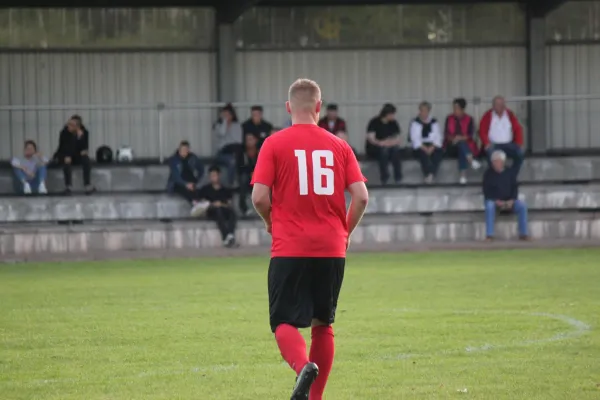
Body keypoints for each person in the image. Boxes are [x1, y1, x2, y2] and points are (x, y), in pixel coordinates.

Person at [251, 78, 369, 400]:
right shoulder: (340, 146)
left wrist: (270, 222)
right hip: (331, 247)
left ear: (289, 107)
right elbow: (360, 197)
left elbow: (260, 197)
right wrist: (345, 231)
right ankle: (314, 397)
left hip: (290, 246)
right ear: (319, 107)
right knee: (323, 323)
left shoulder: (274, 144)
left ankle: (303, 366)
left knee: (283, 321)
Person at [483, 150, 530, 241]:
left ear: (502, 162)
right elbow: (486, 191)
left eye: (497, 161)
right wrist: (496, 201)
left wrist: (511, 200)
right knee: (489, 205)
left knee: (522, 206)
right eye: (494, 161)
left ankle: (523, 234)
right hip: (495, 202)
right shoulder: (488, 174)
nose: (495, 163)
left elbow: (515, 188)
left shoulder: (510, 173)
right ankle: (489, 235)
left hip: (509, 202)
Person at [479, 95, 524, 175]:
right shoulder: (488, 115)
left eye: (502, 104)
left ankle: (511, 175)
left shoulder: (510, 114)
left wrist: (519, 143)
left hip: (508, 144)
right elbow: (482, 130)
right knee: (490, 154)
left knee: (520, 153)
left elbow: (518, 128)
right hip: (493, 144)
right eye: (498, 104)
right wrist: (486, 143)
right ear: (493, 106)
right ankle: (496, 176)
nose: (501, 106)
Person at [198, 166, 238, 248]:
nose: (213, 178)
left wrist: (220, 204)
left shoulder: (225, 190)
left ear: (219, 176)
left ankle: (229, 235)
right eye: (211, 176)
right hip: (211, 211)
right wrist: (213, 204)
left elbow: (229, 204)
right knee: (218, 210)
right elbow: (202, 203)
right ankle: (227, 236)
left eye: (215, 175)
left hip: (224, 209)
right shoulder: (205, 189)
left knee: (232, 213)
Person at [444, 98, 481, 184]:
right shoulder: (449, 118)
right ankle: (470, 163)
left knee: (461, 146)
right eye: (454, 108)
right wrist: (454, 139)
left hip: (466, 145)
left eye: (457, 108)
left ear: (462, 109)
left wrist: (460, 138)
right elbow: (446, 134)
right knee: (461, 145)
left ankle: (463, 177)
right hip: (451, 146)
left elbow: (470, 135)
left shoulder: (469, 119)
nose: (455, 110)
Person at [54, 115, 95, 195]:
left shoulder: (84, 133)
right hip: (64, 154)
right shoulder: (64, 133)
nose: (68, 126)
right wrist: (67, 155)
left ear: (77, 127)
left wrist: (79, 138)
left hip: (76, 155)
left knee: (86, 159)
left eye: (71, 125)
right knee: (66, 162)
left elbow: (84, 148)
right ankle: (68, 186)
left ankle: (87, 184)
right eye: (68, 124)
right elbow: (64, 147)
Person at [365, 103, 403, 185]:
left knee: (396, 151)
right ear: (387, 114)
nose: (393, 116)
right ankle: (384, 177)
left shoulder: (393, 123)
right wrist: (382, 143)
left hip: (390, 146)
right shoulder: (374, 122)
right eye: (392, 114)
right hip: (376, 147)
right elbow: (371, 138)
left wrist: (389, 143)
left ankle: (398, 177)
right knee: (384, 151)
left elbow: (398, 138)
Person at [167, 140, 206, 217]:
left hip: (190, 180)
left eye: (185, 150)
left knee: (196, 189)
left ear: (188, 150)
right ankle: (195, 202)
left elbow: (201, 168)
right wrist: (186, 184)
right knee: (185, 189)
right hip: (177, 183)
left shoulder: (193, 158)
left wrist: (197, 179)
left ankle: (198, 203)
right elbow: (176, 176)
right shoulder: (174, 160)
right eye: (181, 150)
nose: (183, 152)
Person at [409, 101, 444, 184]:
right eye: (422, 110)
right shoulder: (415, 122)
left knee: (437, 154)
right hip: (421, 146)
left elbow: (438, 136)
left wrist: (432, 147)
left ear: (429, 111)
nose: (423, 112)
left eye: (425, 110)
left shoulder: (434, 121)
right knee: (423, 155)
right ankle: (428, 174)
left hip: (432, 145)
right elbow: (414, 138)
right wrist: (424, 148)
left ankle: (431, 174)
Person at [213, 103, 243, 186]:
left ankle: (241, 181)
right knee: (232, 161)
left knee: (237, 157)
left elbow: (238, 141)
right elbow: (222, 133)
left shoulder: (237, 125)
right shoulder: (218, 125)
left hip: (234, 151)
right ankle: (231, 183)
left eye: (228, 114)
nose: (227, 116)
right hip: (222, 153)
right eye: (224, 114)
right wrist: (224, 122)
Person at [237, 133, 259, 217]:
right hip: (246, 176)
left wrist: (255, 172)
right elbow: (240, 167)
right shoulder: (242, 152)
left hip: (259, 175)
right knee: (243, 179)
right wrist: (250, 172)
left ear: (255, 140)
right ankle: (244, 208)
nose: (248, 142)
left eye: (250, 139)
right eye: (247, 140)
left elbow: (265, 165)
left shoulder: (261, 150)